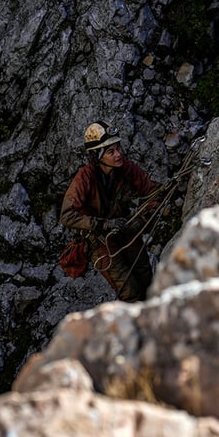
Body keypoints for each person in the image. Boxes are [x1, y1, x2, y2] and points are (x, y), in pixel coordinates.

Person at [60, 120, 159, 302]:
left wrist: (143, 220)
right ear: (98, 156)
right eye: (111, 152)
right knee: (129, 290)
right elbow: (67, 215)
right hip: (100, 240)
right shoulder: (85, 178)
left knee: (147, 279)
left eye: (118, 148)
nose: (118, 155)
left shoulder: (126, 169)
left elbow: (152, 192)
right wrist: (103, 224)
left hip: (125, 230)